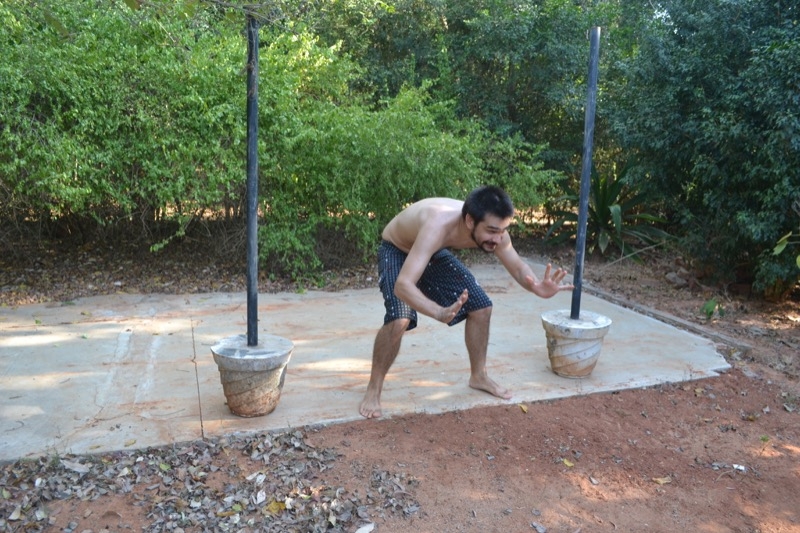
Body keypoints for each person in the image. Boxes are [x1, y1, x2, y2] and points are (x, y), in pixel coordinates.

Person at [359, 185, 574, 419]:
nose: (497, 239)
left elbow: (518, 267)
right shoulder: (437, 226)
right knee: (400, 318)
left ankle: (479, 376)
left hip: (430, 251)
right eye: (492, 231)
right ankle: (374, 388)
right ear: (470, 221)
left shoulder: (496, 231)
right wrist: (438, 312)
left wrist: (536, 287)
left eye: (502, 231)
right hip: (397, 248)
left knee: (481, 307)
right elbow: (403, 285)